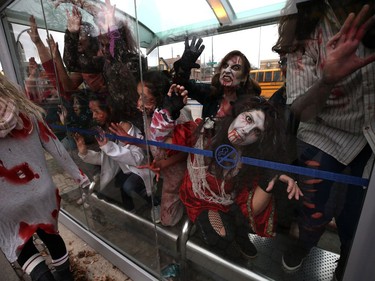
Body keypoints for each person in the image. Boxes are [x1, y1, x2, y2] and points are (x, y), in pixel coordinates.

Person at [272, 1, 375, 279]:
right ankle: (305, 242)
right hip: (322, 131)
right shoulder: (304, 18)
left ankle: (349, 252)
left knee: (357, 215)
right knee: (313, 206)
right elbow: (300, 111)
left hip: (371, 136)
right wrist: (327, 80)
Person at [149, 87, 303, 260]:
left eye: (257, 131)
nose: (246, 130)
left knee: (237, 222)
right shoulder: (204, 130)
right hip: (199, 199)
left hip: (229, 203)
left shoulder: (249, 158)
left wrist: (271, 177)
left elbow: (249, 207)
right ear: (238, 113)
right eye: (248, 118)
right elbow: (161, 143)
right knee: (221, 237)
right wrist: (168, 112)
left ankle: (237, 232)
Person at [0, 73, 91, 281]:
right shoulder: (27, 111)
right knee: (51, 235)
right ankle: (65, 277)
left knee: (22, 245)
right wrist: (79, 176)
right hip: (41, 193)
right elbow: (56, 147)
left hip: (4, 203)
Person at [110, 70, 190, 226]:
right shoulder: (150, 115)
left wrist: (162, 164)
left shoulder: (176, 117)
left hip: (178, 172)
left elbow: (187, 153)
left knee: (170, 218)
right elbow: (152, 144)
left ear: (159, 98)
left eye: (145, 98)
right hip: (164, 171)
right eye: (139, 96)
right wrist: (132, 140)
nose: (139, 102)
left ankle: (186, 226)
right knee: (170, 209)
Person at [73, 94, 159, 219]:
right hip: (123, 169)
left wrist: (109, 147)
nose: (94, 116)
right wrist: (84, 152)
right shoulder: (106, 130)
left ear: (109, 109)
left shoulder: (125, 127)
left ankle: (155, 203)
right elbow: (105, 158)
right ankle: (131, 214)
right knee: (109, 187)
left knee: (127, 186)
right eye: (92, 112)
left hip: (139, 168)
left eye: (97, 111)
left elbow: (138, 158)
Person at [173, 37, 261, 119]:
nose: (227, 70)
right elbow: (182, 86)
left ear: (244, 77)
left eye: (235, 68)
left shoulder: (251, 105)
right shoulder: (211, 94)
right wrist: (184, 68)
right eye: (225, 65)